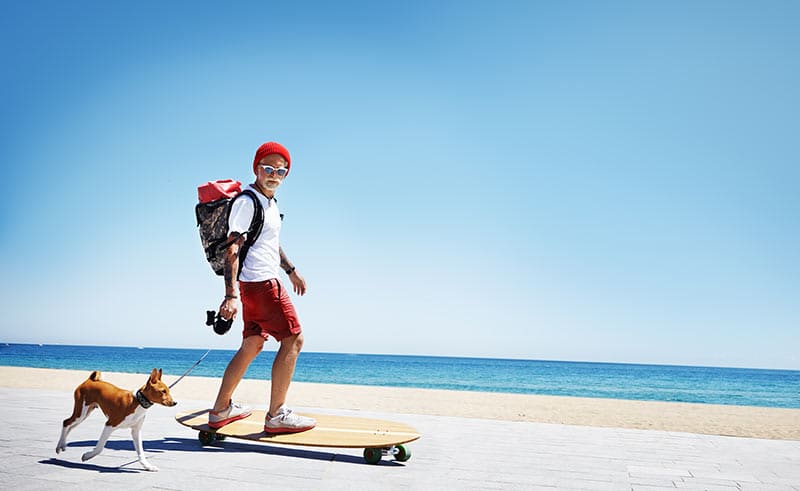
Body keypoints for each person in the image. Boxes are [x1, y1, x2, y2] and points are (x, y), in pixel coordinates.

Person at [208, 141, 316, 434]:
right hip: (262, 285)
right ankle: (276, 415)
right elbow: (233, 249)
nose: (274, 174)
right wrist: (229, 296)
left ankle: (219, 411)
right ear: (256, 168)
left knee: (252, 344)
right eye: (268, 168)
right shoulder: (247, 202)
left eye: (281, 170)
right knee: (294, 340)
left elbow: (268, 242)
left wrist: (291, 270)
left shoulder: (269, 203)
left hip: (255, 286)